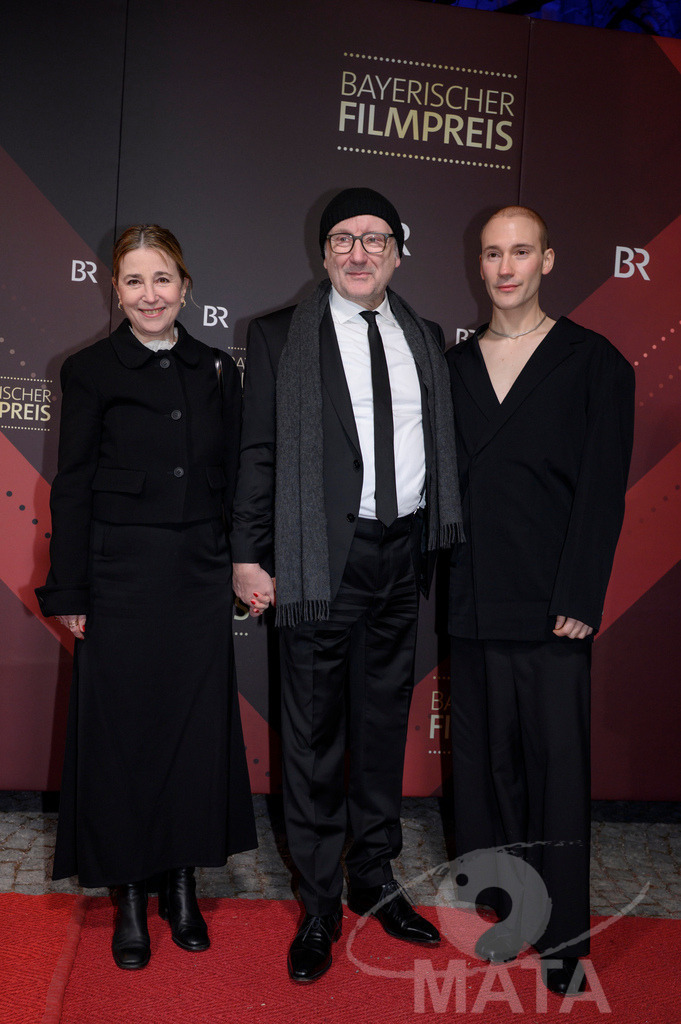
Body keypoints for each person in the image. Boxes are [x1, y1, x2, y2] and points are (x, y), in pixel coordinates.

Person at [231, 188, 462, 982]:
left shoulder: (425, 339)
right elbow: (258, 450)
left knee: (379, 725)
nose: (357, 252)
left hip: (401, 555)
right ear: (323, 253)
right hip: (314, 556)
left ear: (398, 249)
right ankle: (320, 902)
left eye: (373, 239)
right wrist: (247, 553)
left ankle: (374, 879)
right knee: (311, 735)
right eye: (342, 239)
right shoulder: (278, 337)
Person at [36, 225, 256, 970]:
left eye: (162, 279)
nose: (150, 294)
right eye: (134, 281)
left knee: (193, 732)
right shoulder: (90, 369)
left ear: (186, 288)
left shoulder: (218, 369)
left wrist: (239, 562)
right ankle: (129, 891)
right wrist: (69, 585)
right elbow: (71, 486)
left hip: (196, 573)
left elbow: (234, 479)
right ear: (115, 291)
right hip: (119, 576)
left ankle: (183, 883)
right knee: (124, 734)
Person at [446, 206, 635, 995]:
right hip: (469, 596)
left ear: (548, 260)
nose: (505, 266)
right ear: (478, 264)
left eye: (520, 251)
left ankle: (564, 937)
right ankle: (506, 912)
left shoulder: (595, 362)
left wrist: (581, 593)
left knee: (555, 772)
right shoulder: (452, 366)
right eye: (493, 253)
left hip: (553, 602)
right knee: (483, 772)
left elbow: (602, 491)